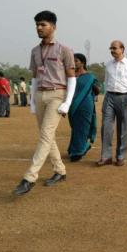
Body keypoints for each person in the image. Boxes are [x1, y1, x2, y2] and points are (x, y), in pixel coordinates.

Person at [14, 10, 77, 196]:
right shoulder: (34, 51)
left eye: (43, 24)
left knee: (45, 135)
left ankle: (29, 177)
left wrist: (67, 102)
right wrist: (33, 101)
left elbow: (72, 78)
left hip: (57, 95)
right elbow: (34, 78)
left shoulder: (64, 50)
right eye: (37, 25)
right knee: (47, 136)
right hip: (40, 95)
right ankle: (60, 170)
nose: (39, 28)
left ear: (53, 27)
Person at [97, 40, 127, 167]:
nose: (112, 50)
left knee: (123, 128)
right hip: (109, 97)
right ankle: (106, 156)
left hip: (124, 98)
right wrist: (105, 97)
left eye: (115, 48)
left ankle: (120, 156)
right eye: (111, 48)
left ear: (122, 49)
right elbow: (106, 81)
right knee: (106, 127)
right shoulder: (108, 65)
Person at [68, 53, 99, 161]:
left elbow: (97, 91)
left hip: (85, 105)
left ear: (83, 62)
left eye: (76, 61)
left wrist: (93, 88)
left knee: (82, 127)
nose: (74, 63)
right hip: (72, 105)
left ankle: (78, 151)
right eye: (72, 61)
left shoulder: (89, 77)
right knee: (75, 127)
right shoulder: (70, 75)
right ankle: (76, 147)